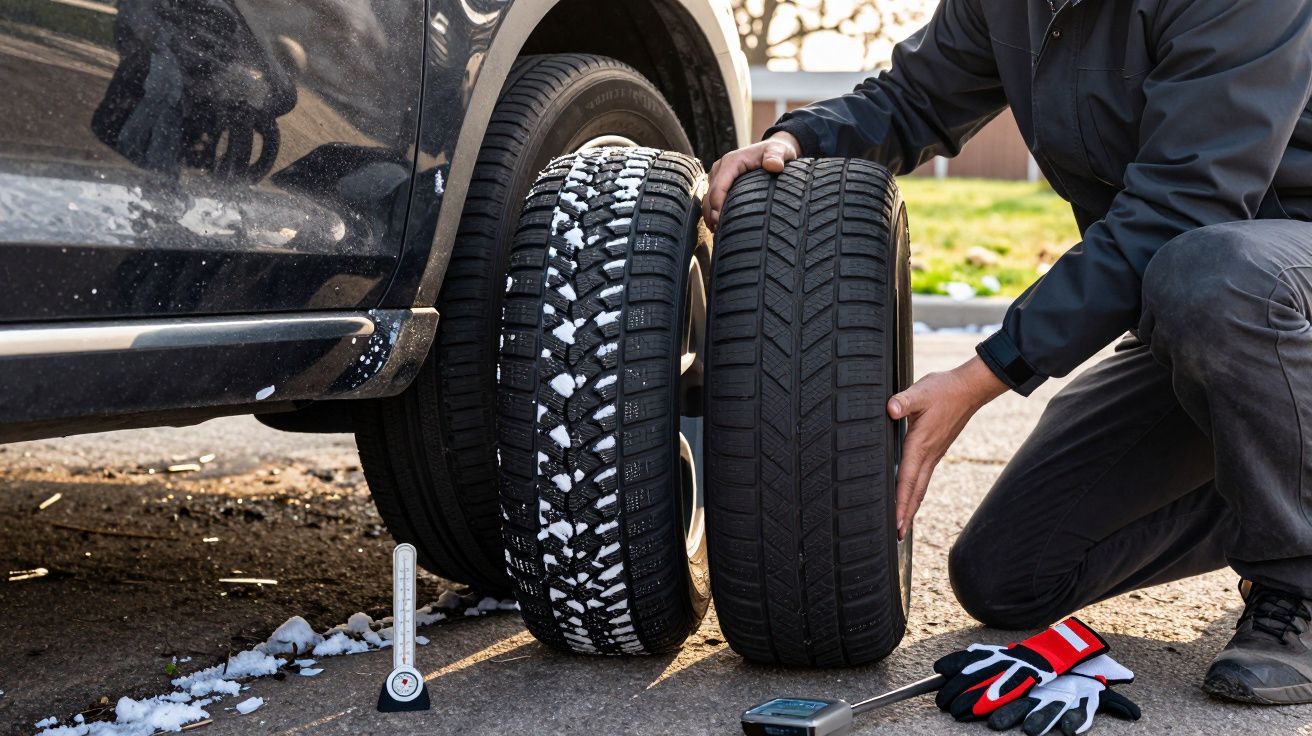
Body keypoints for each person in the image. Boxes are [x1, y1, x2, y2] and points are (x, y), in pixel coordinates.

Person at [704, 0, 1312, 707]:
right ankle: (1285, 475)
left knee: (1212, 274)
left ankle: (1297, 581)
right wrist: (796, 138)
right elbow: (915, 97)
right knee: (1009, 573)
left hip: (1262, 278)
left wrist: (981, 373)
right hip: (1211, 317)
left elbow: (1184, 206)